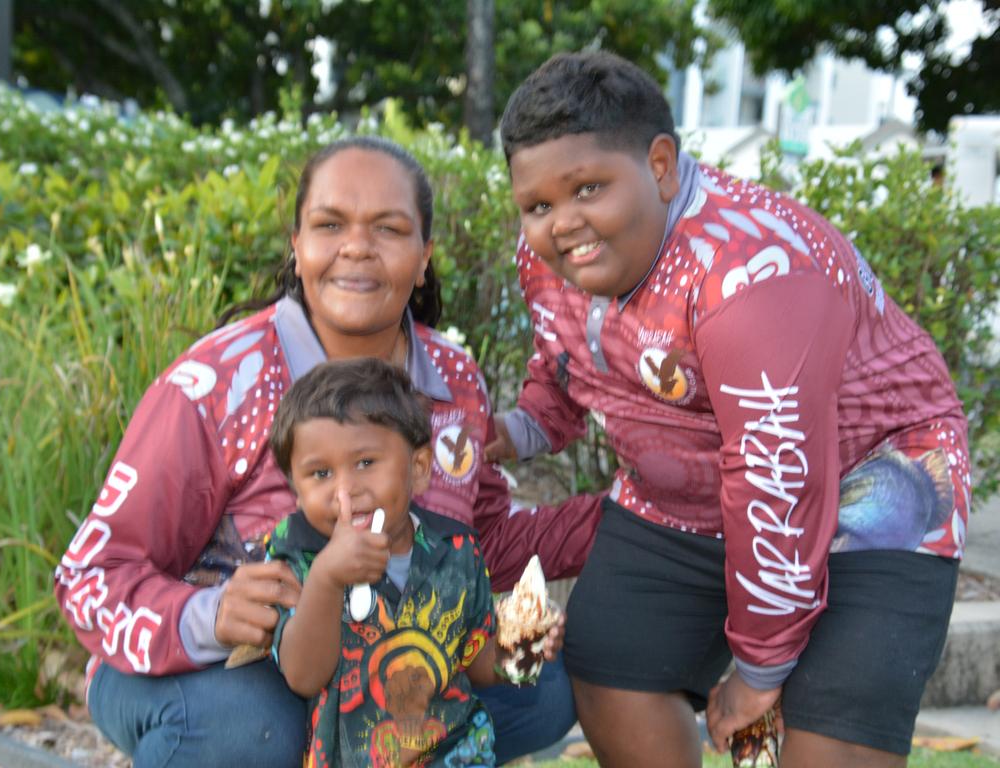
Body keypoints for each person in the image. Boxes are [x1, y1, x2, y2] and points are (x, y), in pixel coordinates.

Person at [490, 51, 970, 767]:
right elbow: (565, 367)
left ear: (660, 165)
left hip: (870, 479)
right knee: (612, 665)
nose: (563, 224)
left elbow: (779, 478)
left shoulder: (750, 276)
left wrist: (759, 670)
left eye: (588, 188)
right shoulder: (556, 257)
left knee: (832, 738)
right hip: (686, 491)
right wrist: (510, 432)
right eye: (539, 206)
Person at [55, 135, 599, 767]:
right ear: (298, 243)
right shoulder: (218, 384)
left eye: (390, 229)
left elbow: (477, 539)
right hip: (222, 674)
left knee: (540, 688)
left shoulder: (453, 382)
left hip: (378, 661)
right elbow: (90, 574)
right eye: (330, 224)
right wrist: (210, 613)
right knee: (257, 727)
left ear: (425, 256)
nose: (357, 247)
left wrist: (625, 516)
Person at [266, 356, 562, 766]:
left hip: (456, 753)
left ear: (419, 469)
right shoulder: (295, 553)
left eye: (365, 463)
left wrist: (523, 648)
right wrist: (327, 578)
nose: (345, 492)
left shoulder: (456, 549)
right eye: (319, 474)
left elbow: (475, 661)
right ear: (294, 490)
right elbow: (303, 675)